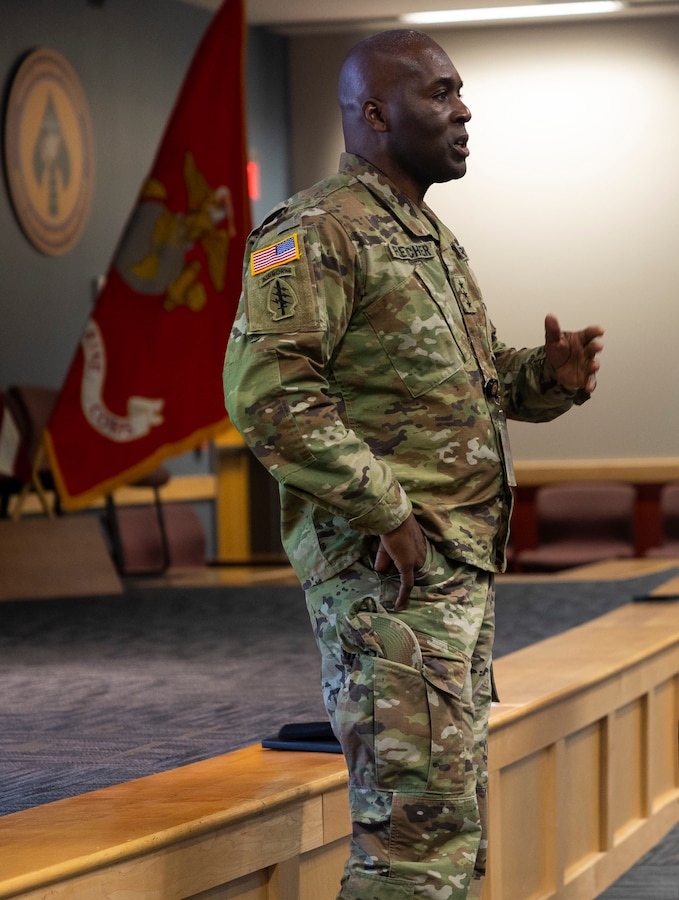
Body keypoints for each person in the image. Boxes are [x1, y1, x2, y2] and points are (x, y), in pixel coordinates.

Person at [223, 29, 603, 900]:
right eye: (438, 94)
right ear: (373, 114)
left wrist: (545, 379)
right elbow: (270, 396)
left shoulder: (425, 236)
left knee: (446, 831)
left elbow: (460, 389)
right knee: (410, 848)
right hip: (386, 578)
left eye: (459, 90)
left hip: (451, 572)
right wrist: (388, 513)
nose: (463, 110)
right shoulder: (315, 230)